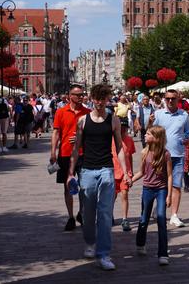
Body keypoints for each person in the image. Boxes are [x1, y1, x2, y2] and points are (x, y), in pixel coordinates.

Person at [67, 84, 131, 271]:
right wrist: (71, 173)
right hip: (87, 171)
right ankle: (89, 242)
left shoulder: (113, 120)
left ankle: (104, 254)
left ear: (108, 99)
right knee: (88, 213)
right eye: (97, 98)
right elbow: (76, 149)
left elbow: (119, 147)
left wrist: (125, 170)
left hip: (106, 170)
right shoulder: (83, 121)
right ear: (92, 99)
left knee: (104, 214)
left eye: (104, 98)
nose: (100, 102)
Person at [51, 84, 90, 231]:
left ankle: (81, 212)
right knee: (68, 187)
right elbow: (55, 133)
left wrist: (82, 137)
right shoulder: (61, 112)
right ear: (70, 96)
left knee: (86, 187)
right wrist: (52, 153)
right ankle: (71, 217)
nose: (81, 97)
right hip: (65, 153)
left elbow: (92, 132)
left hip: (83, 153)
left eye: (82, 94)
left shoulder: (88, 112)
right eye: (78, 95)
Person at [131, 126, 172, 266]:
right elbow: (141, 172)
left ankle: (163, 253)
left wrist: (169, 195)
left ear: (156, 138)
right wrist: (131, 180)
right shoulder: (144, 152)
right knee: (144, 219)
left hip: (161, 189)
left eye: (148, 134)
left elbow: (170, 175)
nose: (145, 135)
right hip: (147, 189)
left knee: (161, 218)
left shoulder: (166, 154)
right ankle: (140, 243)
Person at [151, 89, 189, 228]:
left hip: (178, 155)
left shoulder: (184, 115)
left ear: (178, 99)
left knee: (176, 185)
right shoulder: (159, 114)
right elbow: (150, 131)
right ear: (164, 99)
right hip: (161, 154)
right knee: (160, 184)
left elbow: (187, 132)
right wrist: (149, 124)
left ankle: (174, 215)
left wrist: (186, 139)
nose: (170, 101)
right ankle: (158, 207)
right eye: (167, 98)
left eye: (173, 98)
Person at [112, 123, 135, 232]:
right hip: (113, 171)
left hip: (126, 172)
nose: (123, 130)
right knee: (112, 196)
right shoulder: (111, 139)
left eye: (125, 128)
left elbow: (130, 156)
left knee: (124, 194)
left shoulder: (129, 140)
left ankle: (125, 219)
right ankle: (109, 215)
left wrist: (131, 172)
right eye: (121, 128)